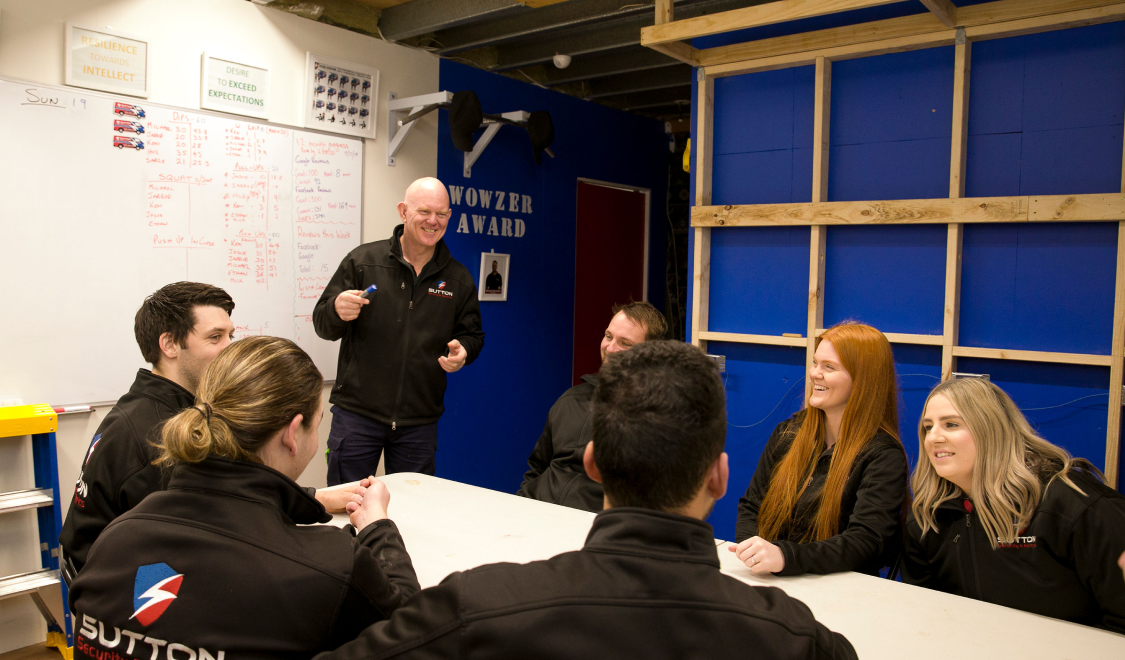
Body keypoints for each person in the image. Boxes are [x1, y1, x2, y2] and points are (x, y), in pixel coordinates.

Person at [317, 341, 855, 659]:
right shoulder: (794, 638)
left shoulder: (480, 608)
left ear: (593, 463)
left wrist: (381, 535)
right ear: (719, 476)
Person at [69, 337, 421, 660]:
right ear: (291, 434)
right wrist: (378, 526)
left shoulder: (115, 540)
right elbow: (412, 630)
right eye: (317, 424)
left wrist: (308, 500)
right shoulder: (331, 566)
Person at [60, 282, 364, 576]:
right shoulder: (158, 435)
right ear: (169, 345)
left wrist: (312, 498)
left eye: (231, 335)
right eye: (215, 337)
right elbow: (218, 521)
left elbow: (230, 489)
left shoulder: (164, 405)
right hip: (113, 579)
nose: (231, 349)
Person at [902, 377, 1125, 632]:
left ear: (992, 429)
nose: (933, 438)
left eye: (951, 424)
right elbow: (923, 613)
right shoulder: (927, 517)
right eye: (927, 427)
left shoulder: (1076, 506)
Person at [314, 177, 485, 484]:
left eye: (442, 214)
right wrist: (336, 310)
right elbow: (322, 324)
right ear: (403, 211)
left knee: (413, 512)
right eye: (424, 211)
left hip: (418, 423)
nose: (433, 221)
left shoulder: (458, 278)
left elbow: (473, 335)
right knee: (345, 504)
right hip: (357, 416)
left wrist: (464, 350)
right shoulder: (364, 262)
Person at [733, 322, 909, 576]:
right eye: (816, 363)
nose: (815, 373)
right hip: (773, 581)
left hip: (840, 592)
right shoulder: (789, 433)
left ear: (863, 379)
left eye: (829, 367)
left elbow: (865, 542)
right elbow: (752, 506)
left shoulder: (882, 456)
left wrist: (785, 557)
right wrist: (752, 553)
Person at [516, 301, 666, 512]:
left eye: (625, 343)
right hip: (534, 513)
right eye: (608, 336)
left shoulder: (660, 418)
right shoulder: (571, 399)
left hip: (595, 529)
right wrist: (522, 503)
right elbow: (537, 467)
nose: (611, 348)